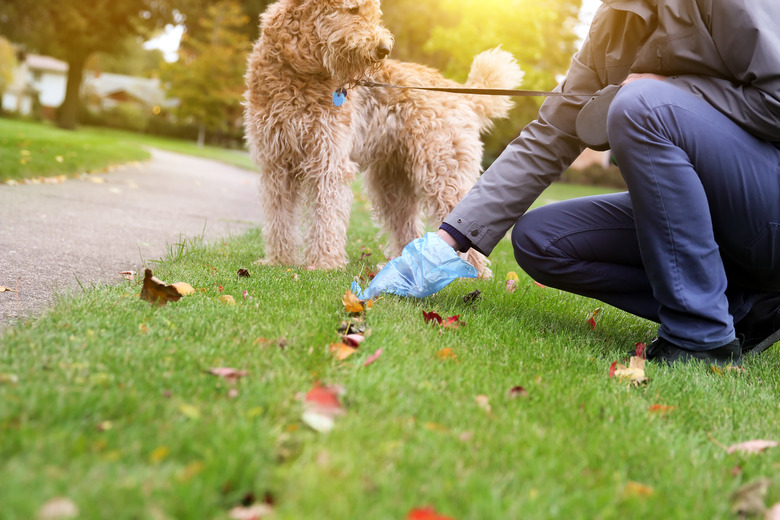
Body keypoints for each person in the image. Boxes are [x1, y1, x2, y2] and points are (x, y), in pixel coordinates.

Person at [366, 0, 780, 366]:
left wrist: (671, 90)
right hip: (718, 222)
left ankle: (702, 337)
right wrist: (446, 242)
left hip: (766, 208)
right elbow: (553, 133)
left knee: (639, 105)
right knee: (540, 239)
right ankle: (745, 308)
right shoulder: (613, 22)